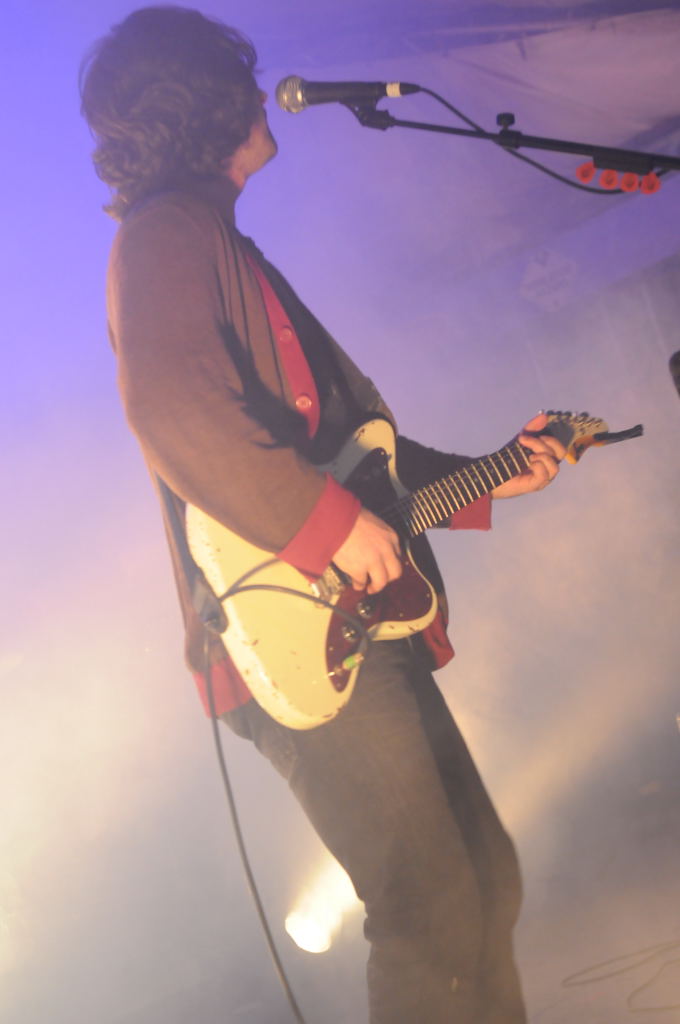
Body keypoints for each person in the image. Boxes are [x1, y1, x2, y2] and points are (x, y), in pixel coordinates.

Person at [80, 8, 565, 1022]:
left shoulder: (218, 242)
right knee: (431, 909)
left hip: (347, 613)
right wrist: (325, 528)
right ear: (201, 104)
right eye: (240, 80)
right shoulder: (166, 234)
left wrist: (493, 475)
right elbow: (172, 408)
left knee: (481, 878)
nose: (262, 94)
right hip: (295, 629)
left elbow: (355, 458)